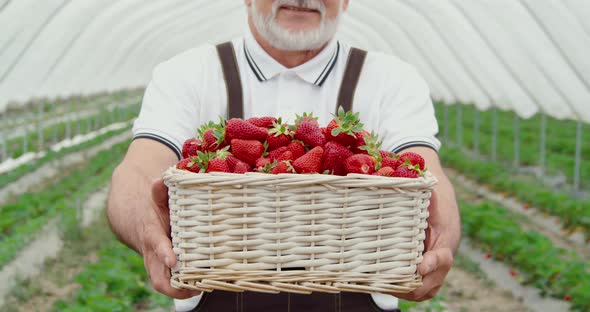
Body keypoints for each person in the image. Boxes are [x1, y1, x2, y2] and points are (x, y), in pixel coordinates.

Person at [107, 0, 461, 311]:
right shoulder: (188, 73)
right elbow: (139, 168)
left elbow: (423, 170)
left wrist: (440, 240)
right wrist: (145, 229)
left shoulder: (390, 79)